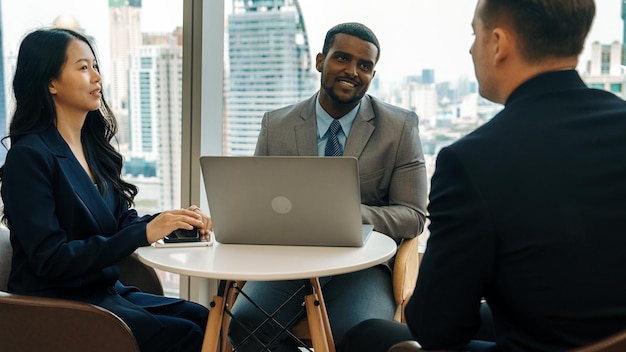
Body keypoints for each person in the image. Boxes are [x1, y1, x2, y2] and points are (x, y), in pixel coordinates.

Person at [340, 0, 626, 351]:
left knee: (366, 335)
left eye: (475, 35)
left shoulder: (472, 162)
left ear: (499, 43)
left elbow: (437, 330)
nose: (472, 48)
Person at [0, 28, 210, 352]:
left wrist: (171, 221)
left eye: (96, 66)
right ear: (50, 82)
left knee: (204, 319)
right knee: (188, 333)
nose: (96, 77)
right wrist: (143, 233)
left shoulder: (91, 148)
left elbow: (120, 221)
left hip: (106, 293)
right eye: (83, 68)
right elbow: (50, 260)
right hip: (58, 307)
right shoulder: (28, 157)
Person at [227, 22, 428, 351]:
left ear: (372, 75)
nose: (352, 71)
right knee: (245, 325)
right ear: (320, 61)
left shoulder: (400, 127)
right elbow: (257, 203)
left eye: (364, 66)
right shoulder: (276, 124)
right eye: (342, 59)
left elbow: (413, 216)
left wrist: (344, 215)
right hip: (291, 260)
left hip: (364, 263)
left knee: (357, 334)